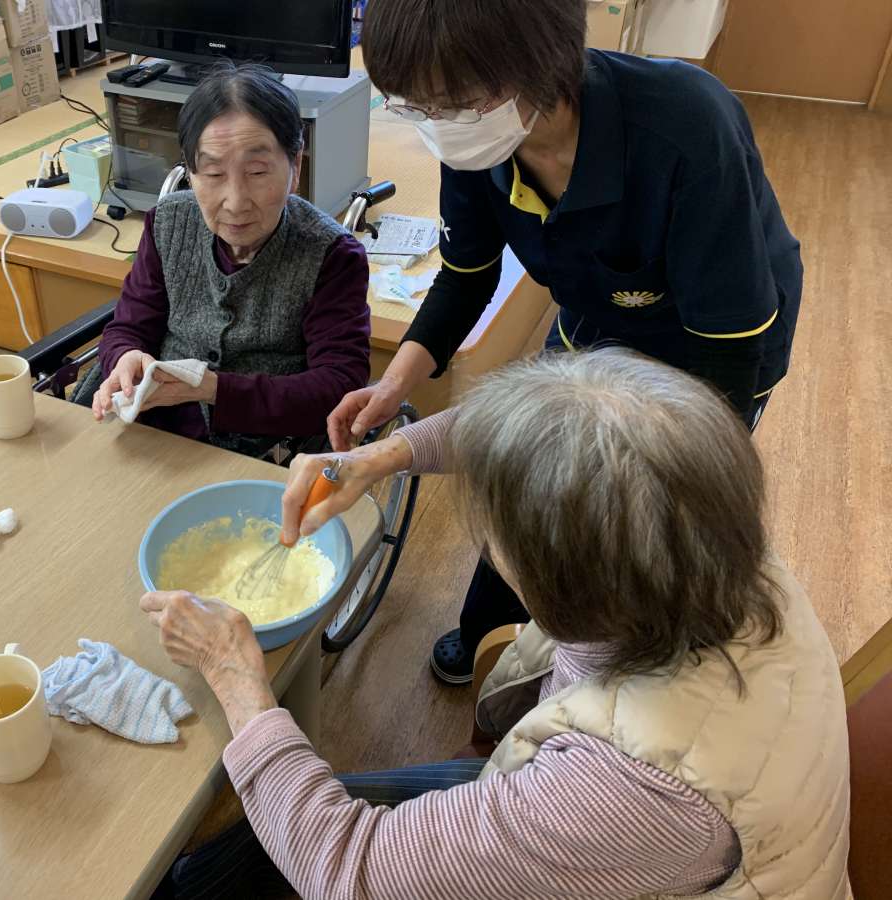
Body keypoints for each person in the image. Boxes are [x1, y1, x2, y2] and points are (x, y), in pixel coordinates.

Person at [142, 350, 849, 900]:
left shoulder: (633, 793)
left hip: (613, 841)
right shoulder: (699, 536)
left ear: (551, 583)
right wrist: (382, 455)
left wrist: (237, 679)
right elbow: (545, 434)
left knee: (253, 860)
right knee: (245, 853)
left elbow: (349, 868)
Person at [327, 0, 805, 683]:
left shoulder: (684, 125)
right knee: (527, 480)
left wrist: (675, 472)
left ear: (541, 61)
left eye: (454, 104)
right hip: (595, 315)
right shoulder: (476, 139)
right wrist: (393, 383)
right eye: (415, 108)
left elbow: (728, 348)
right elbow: (465, 276)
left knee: (635, 513)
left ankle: (610, 661)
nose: (437, 124)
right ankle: (490, 633)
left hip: (715, 339)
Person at [81, 64, 372, 456]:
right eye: (214, 174)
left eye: (257, 172)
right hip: (143, 423)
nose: (235, 202)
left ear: (295, 167)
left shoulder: (331, 254)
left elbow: (339, 385)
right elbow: (128, 326)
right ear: (190, 172)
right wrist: (124, 356)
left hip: (256, 443)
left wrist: (214, 390)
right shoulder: (168, 223)